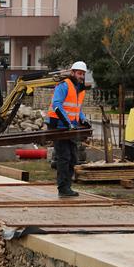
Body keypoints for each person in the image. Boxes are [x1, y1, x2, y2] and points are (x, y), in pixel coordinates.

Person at [47, 61, 88, 197]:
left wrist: (83, 119)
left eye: (83, 74)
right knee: (64, 157)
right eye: (79, 73)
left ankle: (67, 187)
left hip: (70, 127)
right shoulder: (64, 85)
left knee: (73, 158)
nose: (81, 76)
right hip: (59, 126)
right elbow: (57, 105)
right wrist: (67, 122)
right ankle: (63, 188)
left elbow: (77, 109)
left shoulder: (79, 89)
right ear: (72, 73)